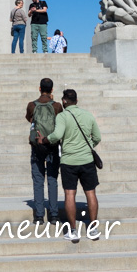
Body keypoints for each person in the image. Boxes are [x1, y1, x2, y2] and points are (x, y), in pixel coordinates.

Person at [40, 89, 101, 242]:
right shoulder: (88, 115)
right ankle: (93, 229)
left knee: (70, 194)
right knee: (91, 193)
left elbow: (57, 135)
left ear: (64, 101)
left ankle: (73, 230)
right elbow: (98, 137)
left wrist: (45, 140)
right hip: (87, 160)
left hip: (69, 162)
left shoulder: (62, 116)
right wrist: (88, 147)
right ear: (77, 100)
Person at [25, 78, 62, 223]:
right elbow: (60, 123)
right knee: (52, 179)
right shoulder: (57, 106)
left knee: (38, 179)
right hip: (52, 145)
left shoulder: (31, 105)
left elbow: (29, 119)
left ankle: (39, 215)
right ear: (52, 90)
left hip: (37, 146)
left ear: (39, 88)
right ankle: (54, 215)